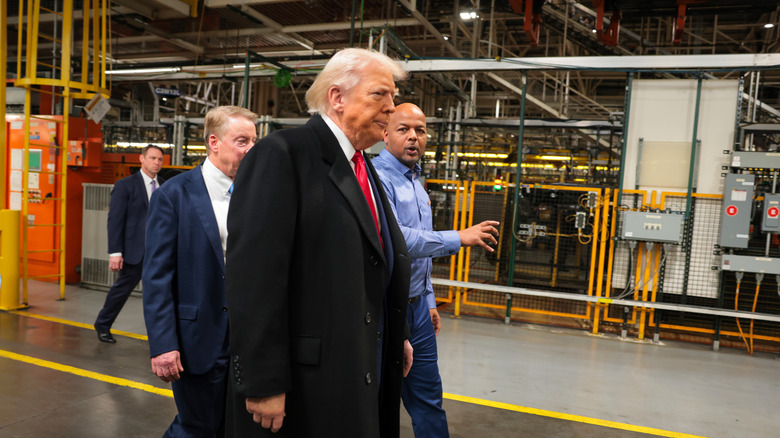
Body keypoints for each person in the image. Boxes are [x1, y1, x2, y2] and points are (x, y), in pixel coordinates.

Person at [225, 48, 411, 438]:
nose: (391, 107)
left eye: (392, 97)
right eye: (380, 94)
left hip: (356, 366)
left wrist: (392, 337)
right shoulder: (282, 155)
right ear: (337, 97)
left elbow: (372, 263)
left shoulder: (362, 167)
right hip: (304, 384)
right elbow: (254, 278)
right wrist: (263, 381)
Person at [373, 103, 500, 438]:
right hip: (386, 309)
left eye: (421, 130)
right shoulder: (376, 179)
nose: (414, 137)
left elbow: (420, 259)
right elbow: (397, 241)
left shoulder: (417, 183)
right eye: (403, 129)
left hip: (417, 308)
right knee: (378, 400)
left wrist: (429, 300)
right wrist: (459, 237)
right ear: (385, 134)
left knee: (429, 399)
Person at [142, 106, 258, 437]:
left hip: (246, 339)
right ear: (214, 142)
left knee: (233, 426)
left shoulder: (256, 194)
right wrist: (163, 344)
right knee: (197, 426)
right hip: (199, 339)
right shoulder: (174, 195)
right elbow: (157, 276)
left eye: (253, 140)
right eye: (241, 141)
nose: (250, 149)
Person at [94, 144, 164, 343]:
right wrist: (115, 252)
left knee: (161, 294)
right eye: (152, 158)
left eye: (160, 159)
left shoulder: (165, 186)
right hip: (135, 251)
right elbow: (115, 220)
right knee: (121, 291)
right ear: (141, 159)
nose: (156, 162)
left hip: (158, 252)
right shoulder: (125, 185)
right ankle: (103, 324)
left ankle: (160, 334)